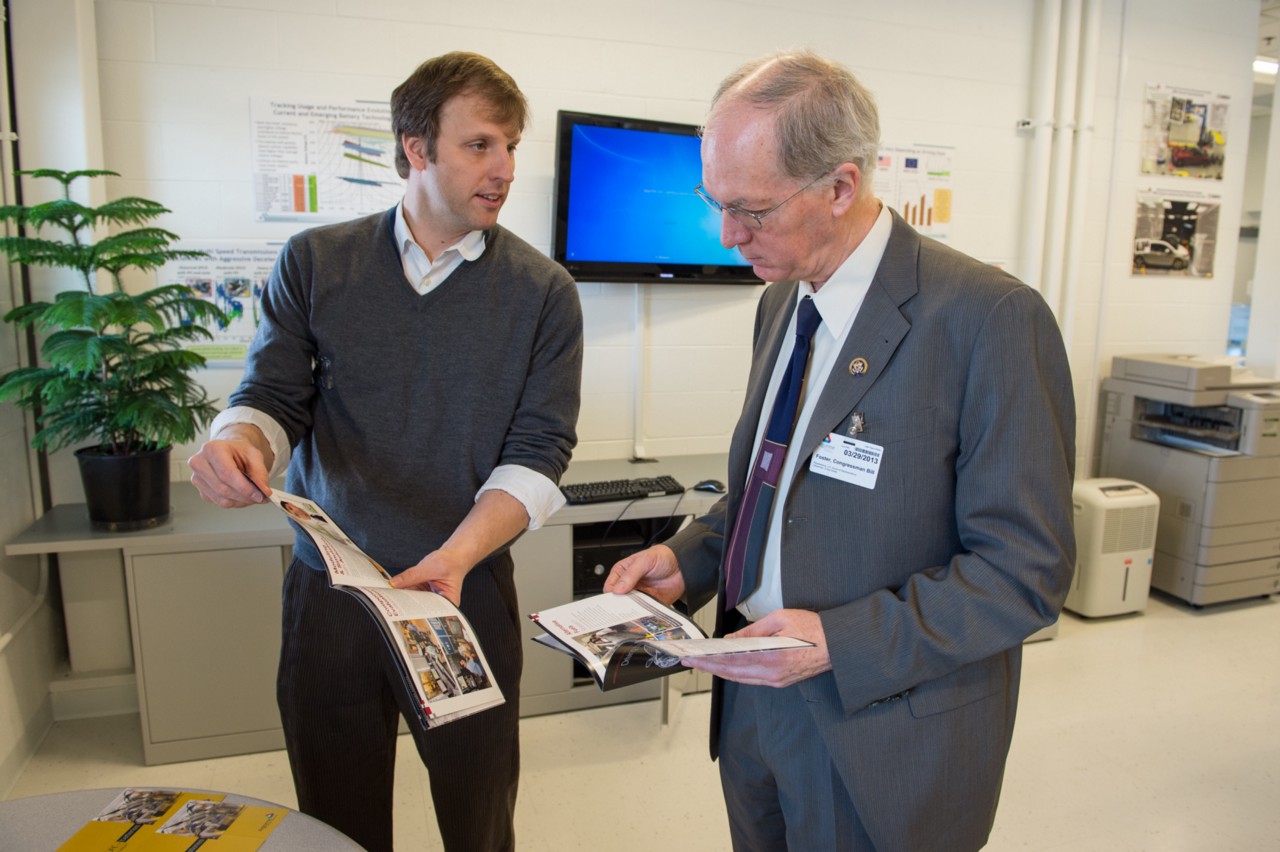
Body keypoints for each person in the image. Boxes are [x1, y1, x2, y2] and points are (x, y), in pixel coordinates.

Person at [606, 51, 1075, 851]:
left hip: (883, 725)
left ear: (842, 186)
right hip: (753, 701)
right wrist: (694, 557)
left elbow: (1024, 572)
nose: (728, 237)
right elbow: (778, 484)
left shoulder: (987, 318)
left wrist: (842, 643)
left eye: (753, 210)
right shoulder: (784, 299)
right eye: (715, 204)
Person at [189, 51, 583, 852]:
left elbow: (539, 453)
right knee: (337, 816)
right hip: (332, 594)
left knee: (478, 814)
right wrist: (234, 441)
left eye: (511, 145)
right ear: (415, 147)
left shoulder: (544, 293)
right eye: (480, 145)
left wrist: (456, 556)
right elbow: (271, 396)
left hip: (459, 593)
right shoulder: (315, 262)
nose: (504, 168)